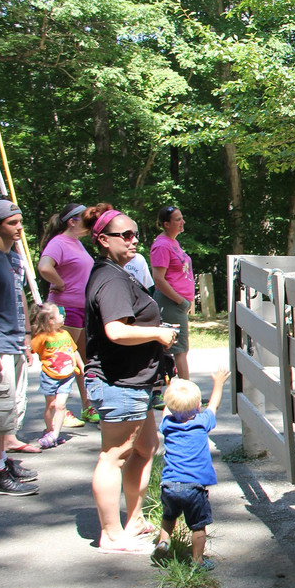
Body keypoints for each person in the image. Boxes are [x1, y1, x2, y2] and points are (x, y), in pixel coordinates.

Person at [84, 206, 178, 552]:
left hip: (136, 380)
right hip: (118, 381)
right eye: (125, 235)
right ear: (103, 240)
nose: (133, 239)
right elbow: (116, 330)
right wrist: (158, 333)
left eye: (135, 234)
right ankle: (110, 534)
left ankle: (134, 519)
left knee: (145, 447)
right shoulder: (110, 279)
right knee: (114, 455)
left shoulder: (118, 272)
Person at [151, 369, 229, 570]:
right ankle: (197, 561)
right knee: (198, 526)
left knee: (169, 516)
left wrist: (171, 389)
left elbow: (167, 410)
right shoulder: (202, 423)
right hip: (193, 488)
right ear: (197, 406)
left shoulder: (167, 424)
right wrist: (218, 383)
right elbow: (213, 405)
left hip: (169, 484)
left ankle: (164, 541)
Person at [0, 200, 39, 495]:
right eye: (13, 223)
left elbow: (17, 299)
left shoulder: (10, 258)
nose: (20, 227)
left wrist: (27, 336)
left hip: (14, 341)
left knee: (7, 410)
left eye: (20, 221)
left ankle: (1, 460)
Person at [38, 202, 98, 425]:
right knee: (62, 360)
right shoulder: (59, 242)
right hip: (66, 309)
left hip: (81, 308)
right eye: (85, 218)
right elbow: (44, 267)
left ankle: (87, 406)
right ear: (72, 221)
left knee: (83, 359)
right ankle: (58, 410)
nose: (90, 222)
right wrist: (60, 283)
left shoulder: (77, 243)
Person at [30, 302, 86, 449]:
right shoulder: (42, 337)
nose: (63, 316)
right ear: (50, 320)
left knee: (60, 405)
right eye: (59, 314)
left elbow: (74, 350)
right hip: (50, 376)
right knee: (51, 405)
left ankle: (55, 434)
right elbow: (31, 349)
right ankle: (49, 430)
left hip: (66, 376)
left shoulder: (65, 334)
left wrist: (82, 366)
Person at [151, 205, 194, 381]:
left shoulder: (173, 242)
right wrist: (180, 301)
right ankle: (186, 393)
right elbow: (158, 279)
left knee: (179, 349)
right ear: (166, 224)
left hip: (178, 304)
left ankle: (178, 389)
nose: (182, 222)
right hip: (170, 303)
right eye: (177, 219)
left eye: (182, 218)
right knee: (179, 350)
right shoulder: (162, 245)